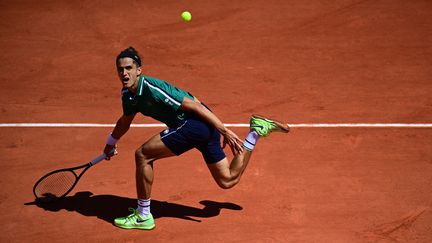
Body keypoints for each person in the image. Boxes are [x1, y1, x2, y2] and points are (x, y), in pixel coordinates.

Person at [103, 47, 289, 230]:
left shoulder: (152, 88)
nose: (124, 73)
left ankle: (143, 216)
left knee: (143, 154)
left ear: (138, 71)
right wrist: (111, 143)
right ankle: (256, 132)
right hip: (203, 126)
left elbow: (196, 107)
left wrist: (224, 130)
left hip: (196, 123)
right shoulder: (127, 94)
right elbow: (125, 121)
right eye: (120, 69)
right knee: (228, 179)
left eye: (129, 68)